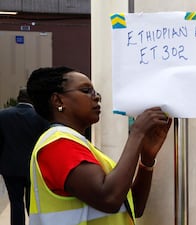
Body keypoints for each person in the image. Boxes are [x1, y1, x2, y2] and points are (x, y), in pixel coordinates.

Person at [26, 66, 172, 225]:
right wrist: (137, 133)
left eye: (96, 92)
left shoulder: (77, 144)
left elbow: (133, 206)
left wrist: (147, 159)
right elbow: (109, 198)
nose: (96, 97)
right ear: (58, 100)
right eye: (86, 90)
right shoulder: (58, 144)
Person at [0, 88, 49, 225]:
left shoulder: (3, 115)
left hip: (9, 167)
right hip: (32, 167)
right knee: (32, 201)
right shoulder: (41, 117)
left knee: (15, 202)